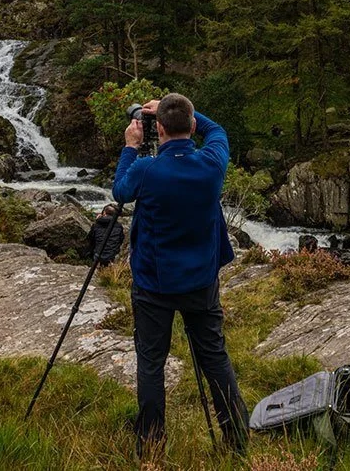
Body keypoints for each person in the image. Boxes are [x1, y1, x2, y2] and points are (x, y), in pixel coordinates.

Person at [112, 93, 248, 456]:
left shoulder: (145, 170)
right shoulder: (212, 163)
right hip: (201, 281)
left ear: (157, 129)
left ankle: (151, 446)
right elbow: (215, 129)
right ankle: (236, 442)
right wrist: (176, 110)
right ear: (191, 127)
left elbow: (119, 190)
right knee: (214, 357)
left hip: (153, 284)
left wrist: (130, 146)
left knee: (152, 362)